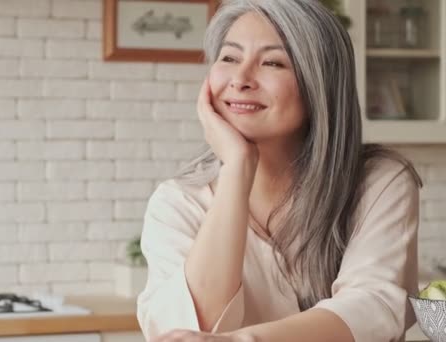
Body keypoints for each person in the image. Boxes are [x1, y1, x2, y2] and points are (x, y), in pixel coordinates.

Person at [136, 0, 422, 341]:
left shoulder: (379, 181)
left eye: (272, 62)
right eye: (229, 57)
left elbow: (373, 306)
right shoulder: (177, 203)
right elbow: (190, 330)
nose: (240, 79)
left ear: (320, 85)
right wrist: (237, 167)